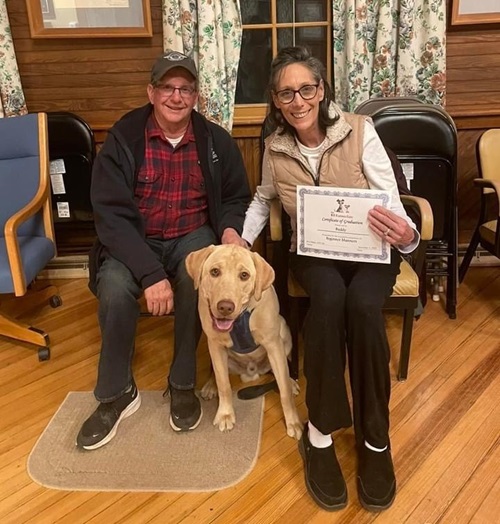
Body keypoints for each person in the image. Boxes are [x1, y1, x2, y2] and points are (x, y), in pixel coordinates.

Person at [241, 46, 419, 512]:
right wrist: (240, 239)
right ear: (276, 101)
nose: (297, 101)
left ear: (321, 90)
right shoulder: (275, 147)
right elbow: (263, 199)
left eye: (306, 89)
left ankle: (374, 439)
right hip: (314, 252)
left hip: (369, 252)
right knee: (327, 301)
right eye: (286, 93)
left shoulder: (360, 131)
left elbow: (391, 198)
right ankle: (320, 433)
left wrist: (408, 235)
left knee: (361, 306)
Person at [76, 50, 250, 450]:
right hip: (136, 238)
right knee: (116, 287)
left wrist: (228, 231)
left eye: (185, 88)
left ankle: (182, 381)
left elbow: (236, 197)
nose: (176, 96)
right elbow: (111, 216)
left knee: (198, 284)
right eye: (168, 88)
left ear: (196, 96)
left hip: (192, 234)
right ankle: (116, 392)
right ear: (151, 92)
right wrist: (151, 274)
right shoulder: (123, 138)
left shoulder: (215, 141)